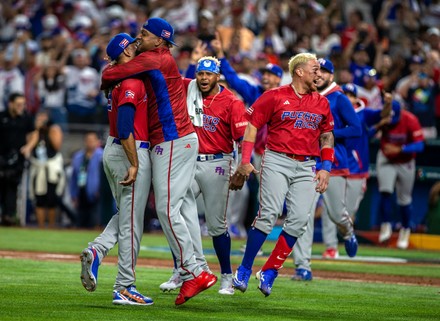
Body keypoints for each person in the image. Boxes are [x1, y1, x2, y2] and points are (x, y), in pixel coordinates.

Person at [100, 17, 217, 305]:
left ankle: (194, 270)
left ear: (160, 40)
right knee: (177, 208)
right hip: (174, 140)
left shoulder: (154, 58)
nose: (139, 37)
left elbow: (109, 75)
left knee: (166, 209)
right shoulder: (158, 57)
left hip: (172, 139)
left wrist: (111, 65)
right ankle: (194, 272)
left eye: (144, 33)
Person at [229, 52, 335, 297]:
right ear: (299, 71)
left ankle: (270, 271)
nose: (319, 74)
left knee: (299, 220)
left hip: (307, 164)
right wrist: (244, 161)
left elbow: (327, 136)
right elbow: (252, 126)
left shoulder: (322, 102)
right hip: (277, 159)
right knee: (267, 215)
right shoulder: (274, 96)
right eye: (315, 69)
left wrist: (326, 167)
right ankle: (244, 269)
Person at [80, 33, 153, 305]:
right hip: (127, 148)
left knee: (127, 214)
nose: (136, 45)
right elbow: (125, 128)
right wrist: (134, 163)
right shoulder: (131, 80)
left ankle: (97, 250)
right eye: (132, 44)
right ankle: (124, 287)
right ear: (124, 51)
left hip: (114, 148)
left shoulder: (115, 76)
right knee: (133, 223)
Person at [181, 56, 248, 295]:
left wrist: (241, 167)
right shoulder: (190, 91)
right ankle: (185, 271)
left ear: (217, 76)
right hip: (189, 161)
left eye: (208, 74)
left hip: (217, 162)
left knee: (216, 224)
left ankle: (227, 276)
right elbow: (173, 79)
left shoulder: (231, 101)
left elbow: (241, 139)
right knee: (176, 214)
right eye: (200, 74)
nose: (204, 78)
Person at [292, 58, 361, 281]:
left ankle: (348, 232)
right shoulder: (306, 95)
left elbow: (356, 129)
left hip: (335, 163)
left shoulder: (339, 98)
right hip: (308, 163)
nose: (320, 74)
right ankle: (303, 267)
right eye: (316, 70)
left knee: (335, 214)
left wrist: (328, 133)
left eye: (324, 70)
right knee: (302, 216)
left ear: (331, 75)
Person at [377, 100, 425, 249]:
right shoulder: (382, 117)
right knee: (385, 191)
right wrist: (379, 125)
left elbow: (420, 145)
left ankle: (405, 229)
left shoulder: (410, 119)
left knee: (404, 200)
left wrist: (401, 149)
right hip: (386, 157)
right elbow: (368, 132)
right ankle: (385, 225)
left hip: (405, 160)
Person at [0, 92, 36, 226]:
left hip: (17, 159)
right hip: (2, 157)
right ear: (10, 104)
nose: (21, 107)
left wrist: (28, 147)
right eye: (18, 104)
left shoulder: (26, 118)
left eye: (23, 104)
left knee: (12, 187)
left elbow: (34, 134)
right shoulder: (2, 116)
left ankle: (8, 216)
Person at [28, 110, 65, 228]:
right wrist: (37, 130)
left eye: (43, 117)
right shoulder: (34, 131)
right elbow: (29, 143)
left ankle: (51, 226)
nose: (41, 119)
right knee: (39, 198)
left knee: (51, 198)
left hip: (51, 167)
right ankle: (41, 226)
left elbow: (57, 145)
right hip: (38, 167)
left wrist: (47, 130)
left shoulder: (54, 129)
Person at [69, 131, 103, 228]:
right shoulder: (78, 156)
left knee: (95, 223)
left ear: (97, 141)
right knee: (80, 223)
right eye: (88, 140)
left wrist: (100, 190)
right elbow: (74, 176)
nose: (90, 142)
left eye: (92, 140)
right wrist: (73, 194)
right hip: (81, 192)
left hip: (96, 194)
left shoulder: (102, 156)